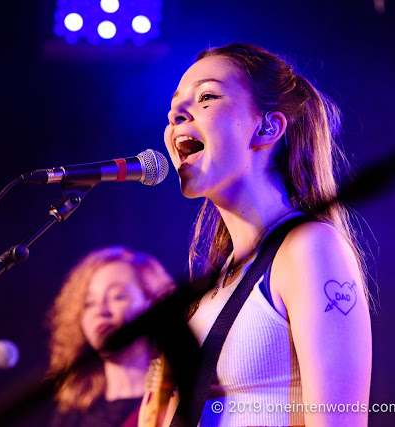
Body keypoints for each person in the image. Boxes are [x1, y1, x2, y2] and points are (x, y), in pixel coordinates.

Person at [151, 43, 372, 426]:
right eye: (174, 107)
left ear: (267, 127)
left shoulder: (308, 247)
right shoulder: (217, 281)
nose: (175, 114)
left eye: (206, 96)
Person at [47, 246, 175, 427]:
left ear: (154, 304)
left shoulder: (176, 400)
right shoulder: (72, 414)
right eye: (89, 303)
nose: (100, 310)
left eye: (118, 296)